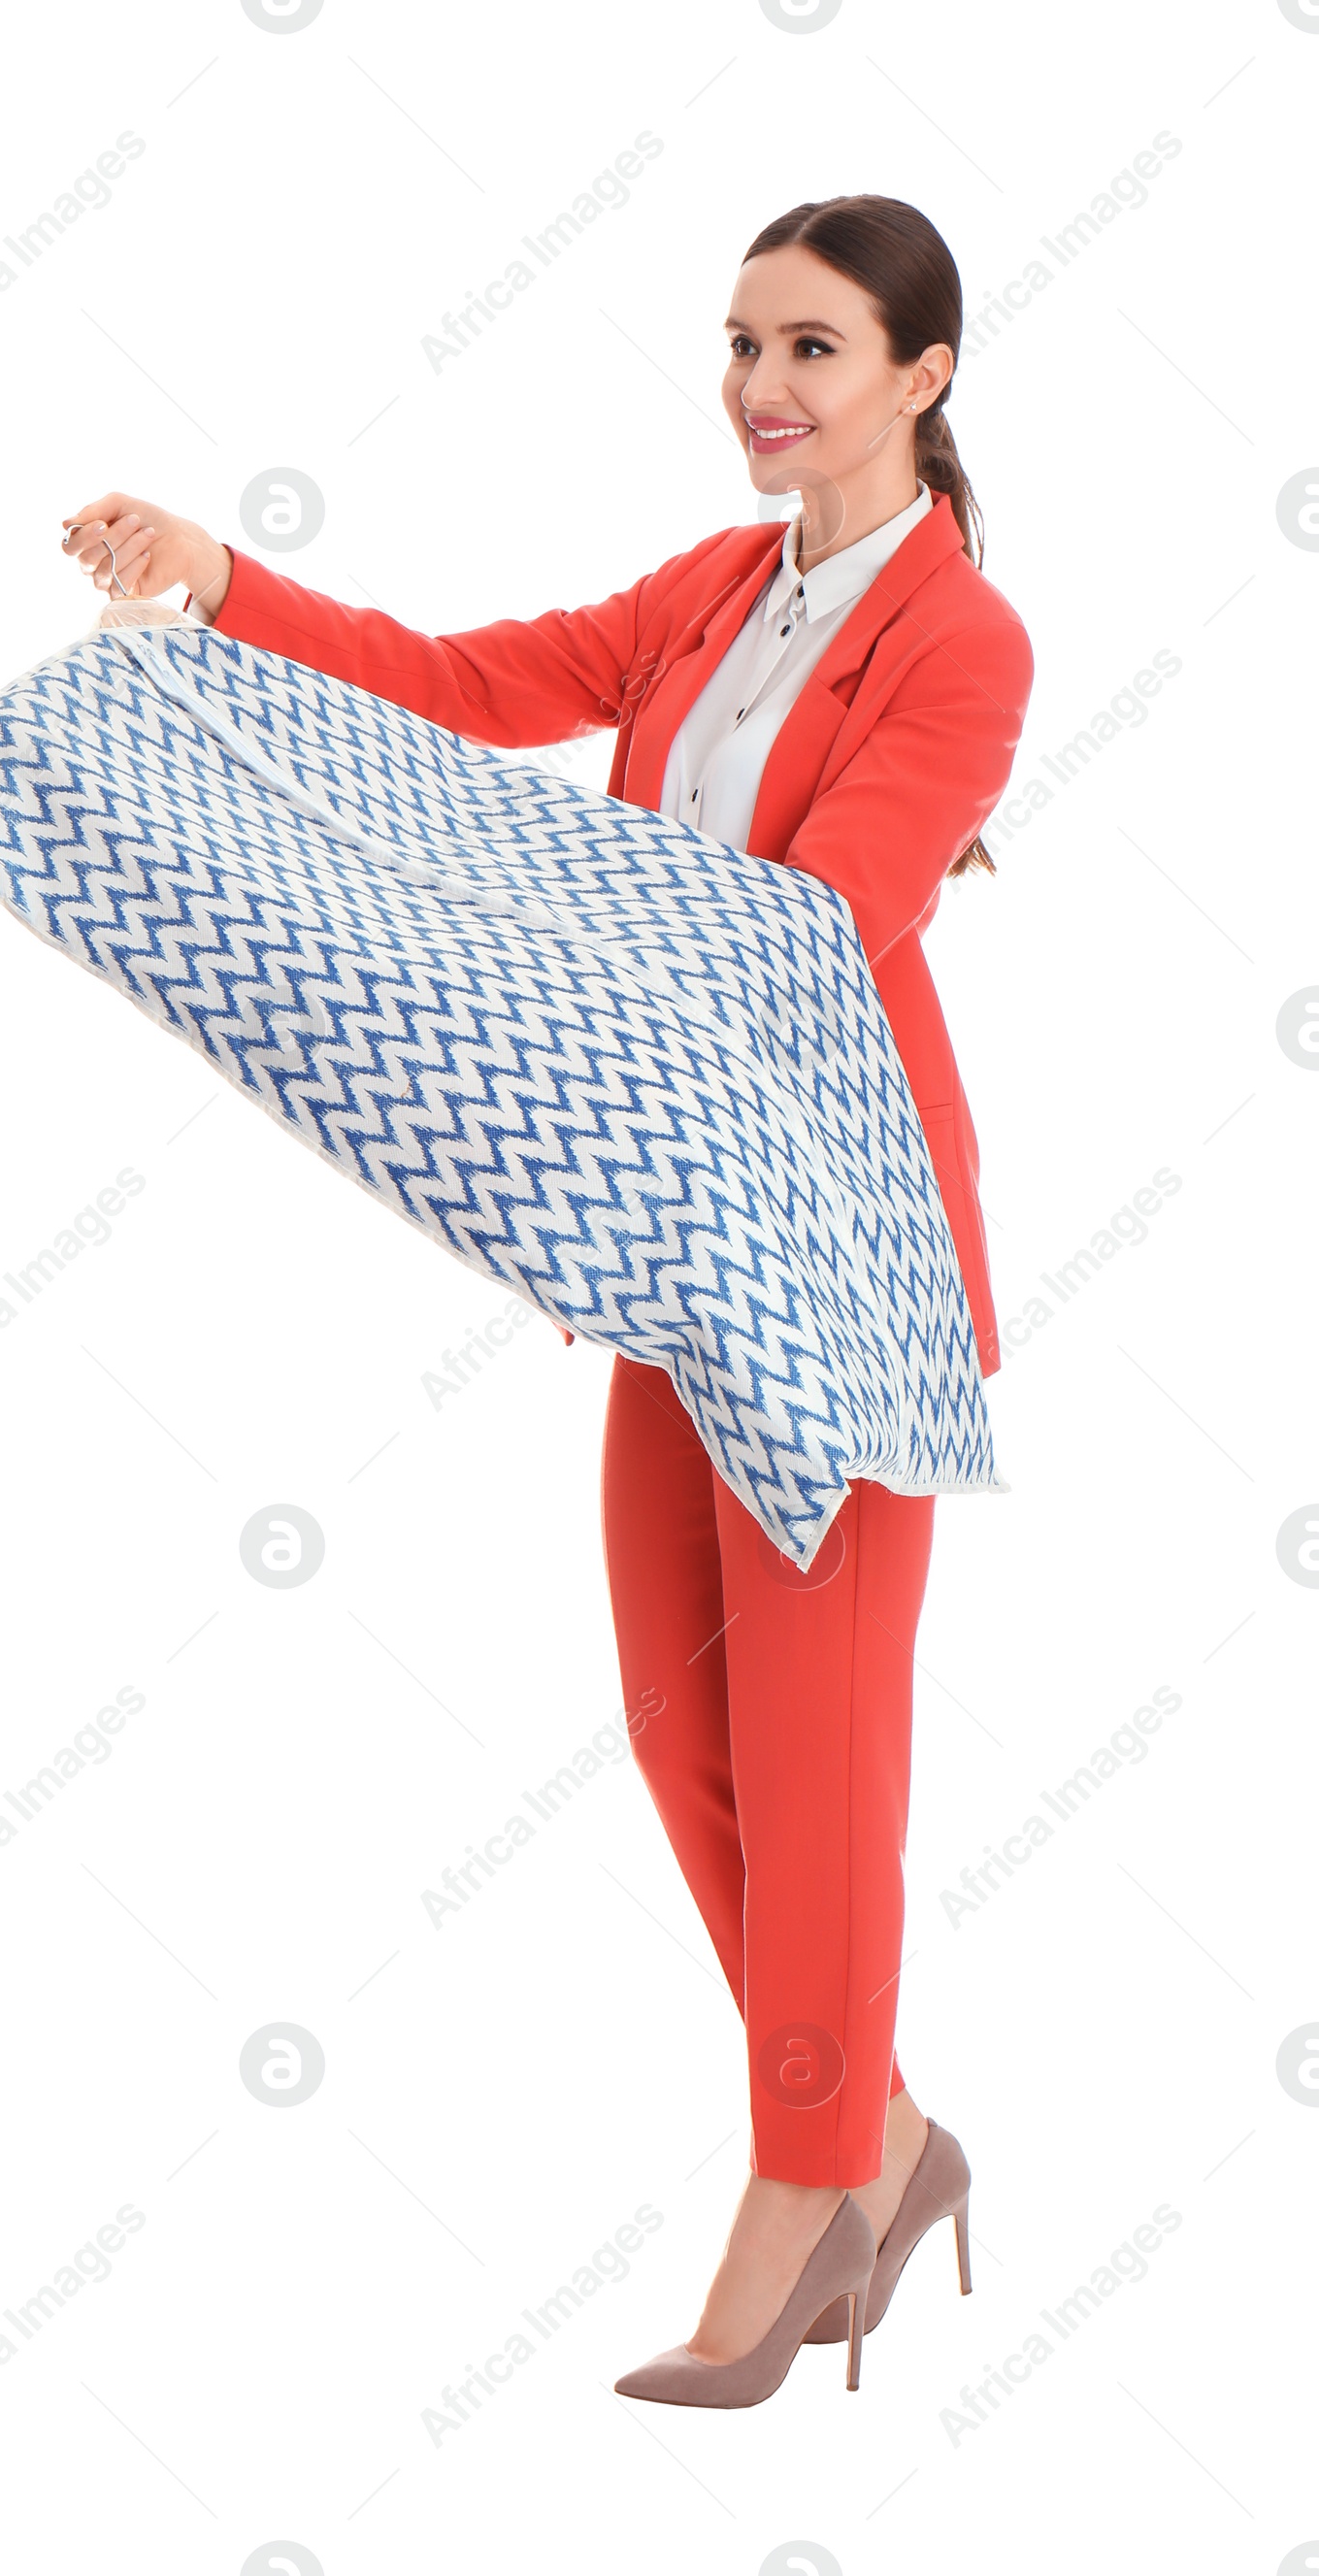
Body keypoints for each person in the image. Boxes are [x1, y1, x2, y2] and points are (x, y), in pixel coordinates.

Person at [61, 191, 1035, 2410]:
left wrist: (512, 943)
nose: (758, 389)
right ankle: (875, 2136)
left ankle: (802, 2201)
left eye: (807, 349)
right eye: (737, 345)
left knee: (818, 1766)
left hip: (834, 1261)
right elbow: (474, 684)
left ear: (921, 376)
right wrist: (221, 583)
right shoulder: (713, 591)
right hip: (679, 1252)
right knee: (690, 1739)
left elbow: (811, 926)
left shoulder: (955, 644)